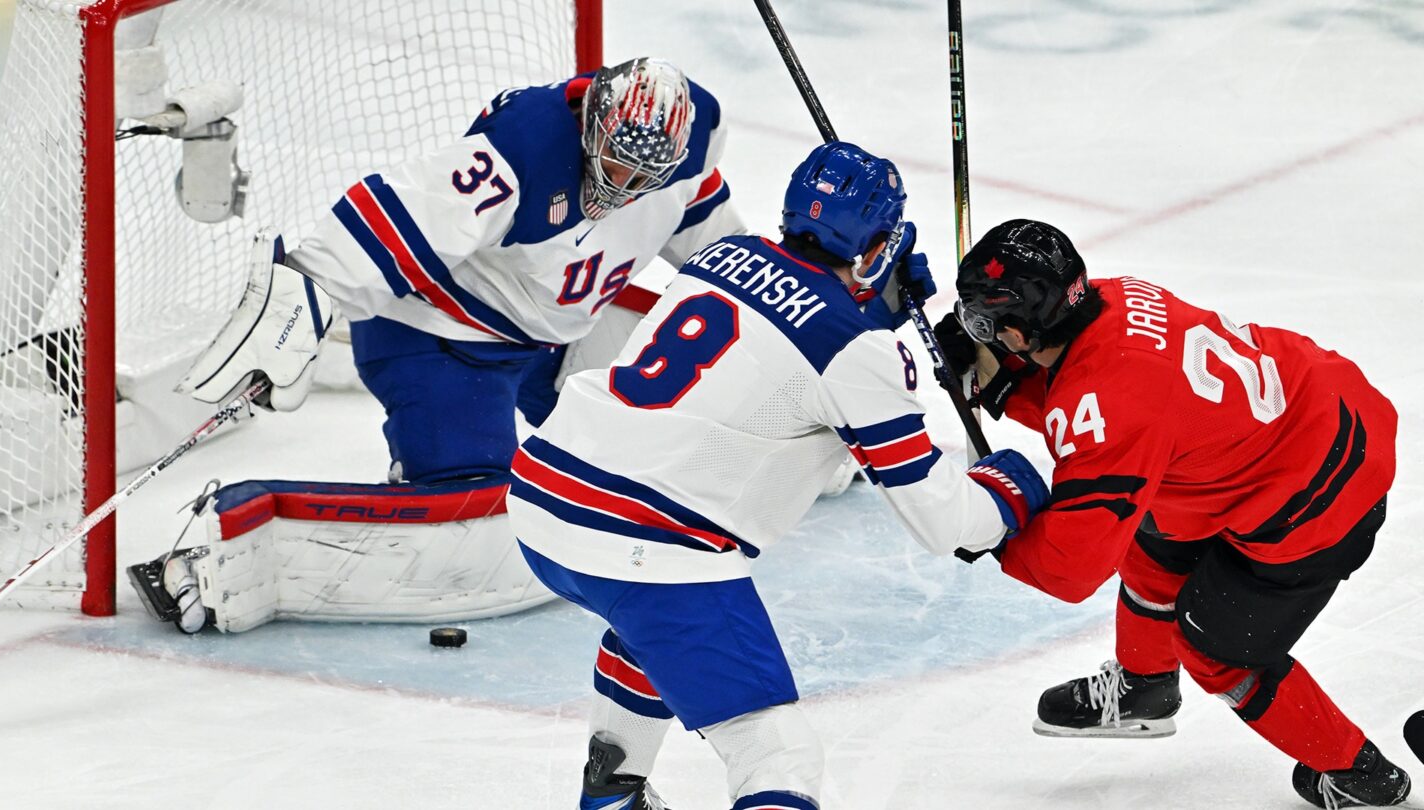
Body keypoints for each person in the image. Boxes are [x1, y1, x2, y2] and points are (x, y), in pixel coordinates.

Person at [508, 143, 1050, 810]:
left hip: (543, 496)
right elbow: (944, 523)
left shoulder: (720, 259)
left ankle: (611, 791)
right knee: (777, 754)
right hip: (645, 542)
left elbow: (784, 336)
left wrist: (870, 308)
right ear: (878, 246)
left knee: (651, 632)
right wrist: (1016, 484)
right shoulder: (860, 354)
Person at [130, 58, 749, 634]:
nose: (626, 188)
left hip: (555, 336)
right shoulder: (525, 146)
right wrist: (301, 300)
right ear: (593, 126)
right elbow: (399, 213)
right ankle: (220, 558)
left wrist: (786, 306)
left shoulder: (698, 133)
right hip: (441, 340)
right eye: (615, 167)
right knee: (477, 509)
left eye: (647, 177)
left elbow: (706, 231)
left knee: (643, 451)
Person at [937, 218, 1411, 808]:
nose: (977, 333)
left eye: (984, 324)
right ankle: (1145, 688)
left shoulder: (1107, 401)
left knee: (1214, 649)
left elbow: (1070, 567)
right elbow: (1109, 404)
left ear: (1021, 326)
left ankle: (1359, 774)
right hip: (1314, 410)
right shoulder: (1110, 297)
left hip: (1321, 499)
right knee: (1150, 528)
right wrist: (1001, 379)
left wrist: (991, 530)